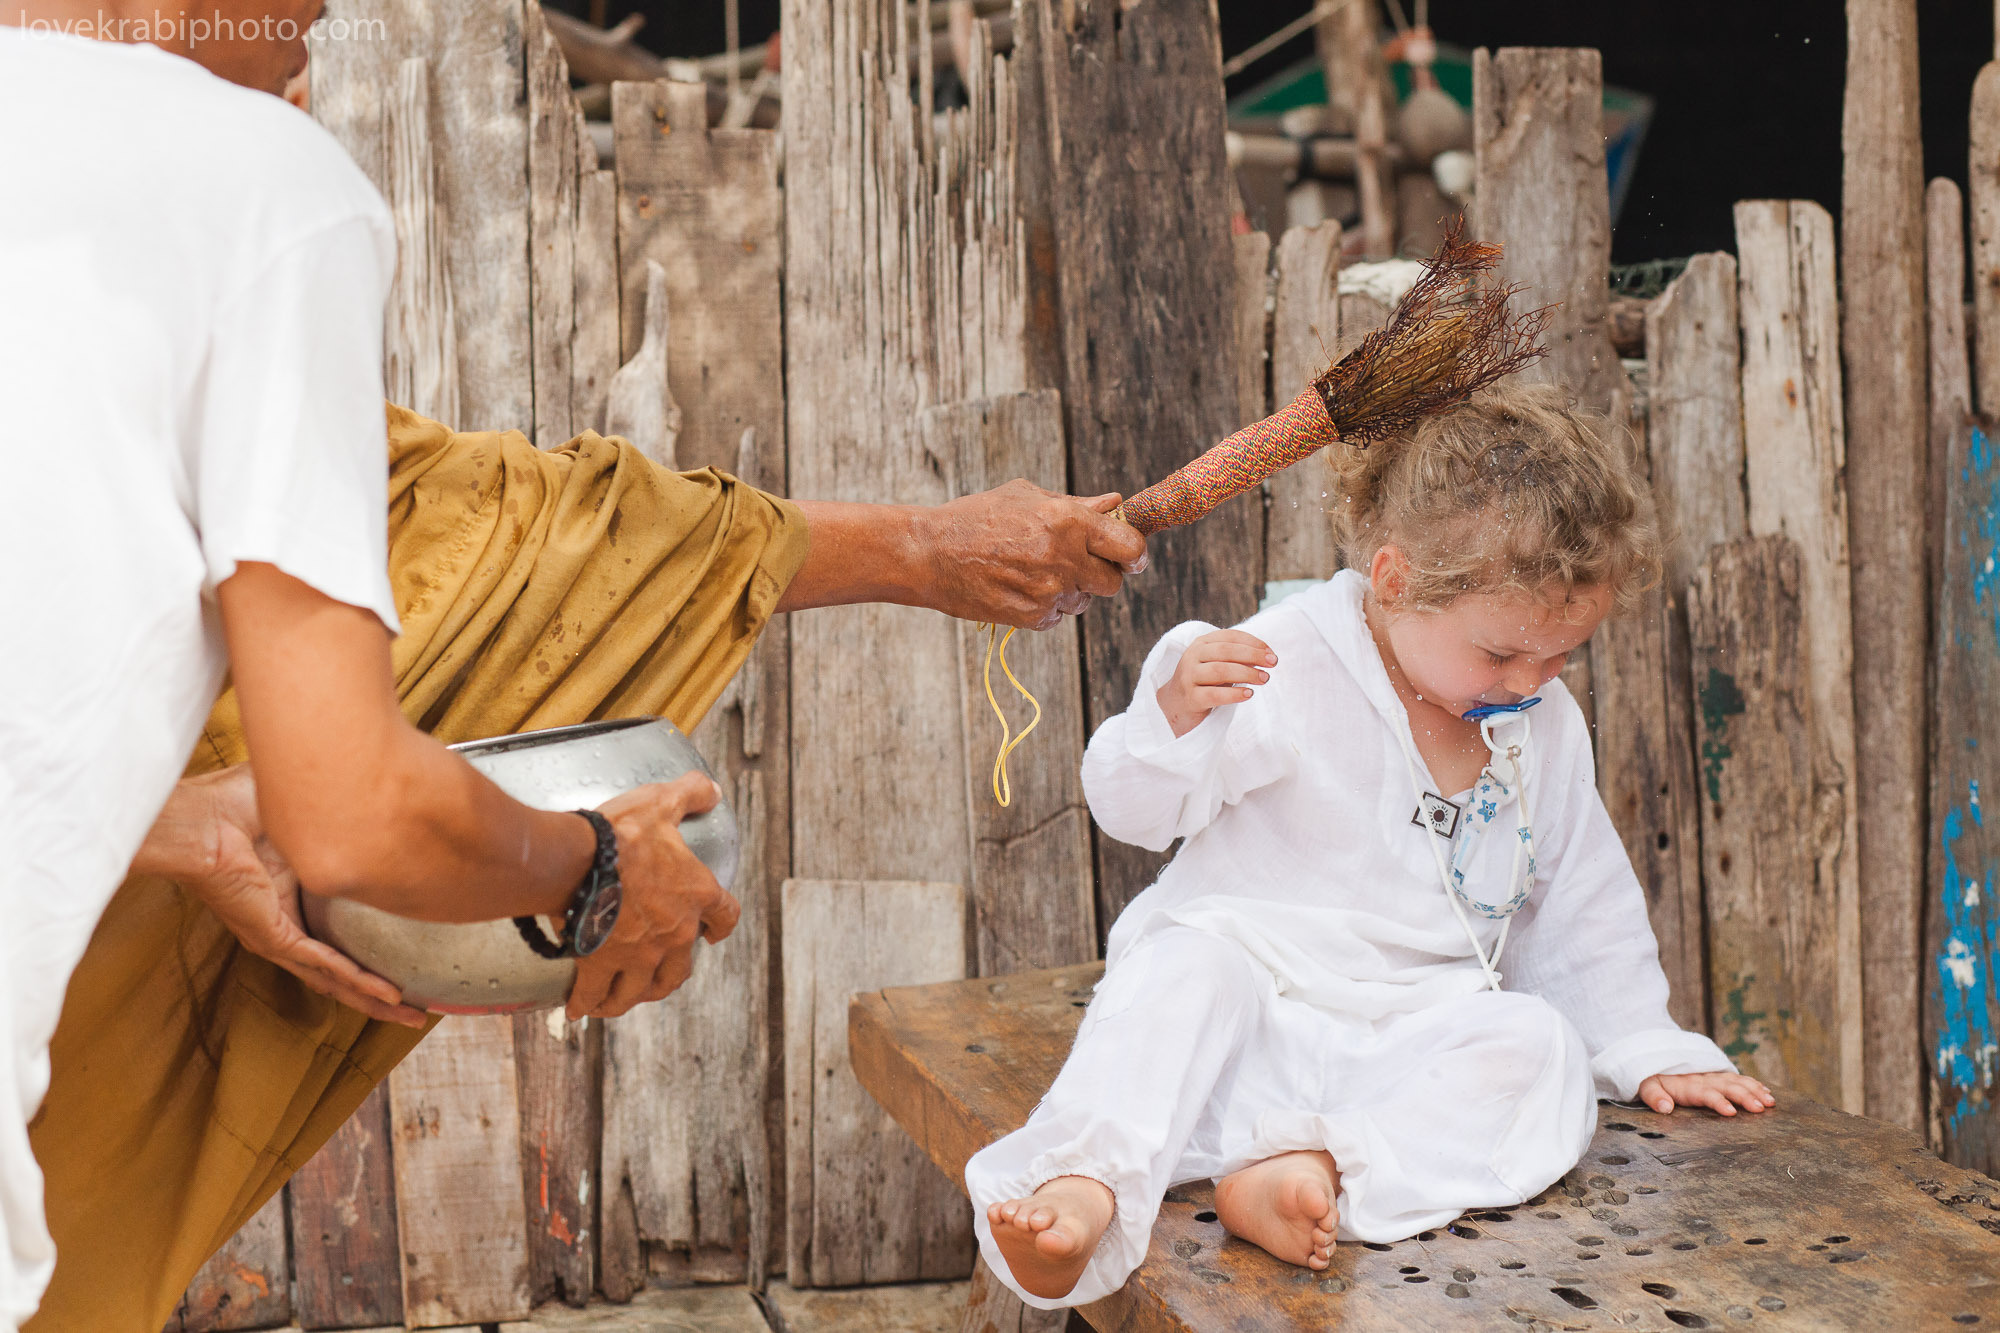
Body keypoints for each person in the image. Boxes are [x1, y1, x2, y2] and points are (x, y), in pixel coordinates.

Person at [0, 9, 1144, 1331]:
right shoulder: (248, 182)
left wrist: (179, 821)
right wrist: (597, 871)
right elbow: (353, 810)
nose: (320, 15)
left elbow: (465, 520)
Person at [965, 385, 1774, 1309]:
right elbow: (1138, 811)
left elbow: (1577, 895)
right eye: (1504, 656)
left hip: (1404, 1044)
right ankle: (1088, 1179)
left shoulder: (1542, 726)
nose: (1531, 682)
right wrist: (1175, 717)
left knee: (1541, 1051)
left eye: (1559, 658)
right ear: (1393, 582)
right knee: (1179, 975)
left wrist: (1637, 1037)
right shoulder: (1283, 662)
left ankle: (1316, 1170)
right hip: (1246, 1017)